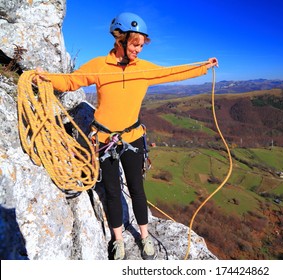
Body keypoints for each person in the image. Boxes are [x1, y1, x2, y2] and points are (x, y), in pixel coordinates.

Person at [36, 12, 218, 260]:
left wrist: (203, 67)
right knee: (111, 190)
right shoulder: (100, 66)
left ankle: (144, 236)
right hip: (103, 141)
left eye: (142, 45)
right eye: (135, 44)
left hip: (132, 139)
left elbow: (171, 73)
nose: (139, 50)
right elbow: (71, 81)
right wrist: (46, 78)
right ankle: (118, 240)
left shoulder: (143, 69)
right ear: (119, 39)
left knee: (136, 189)